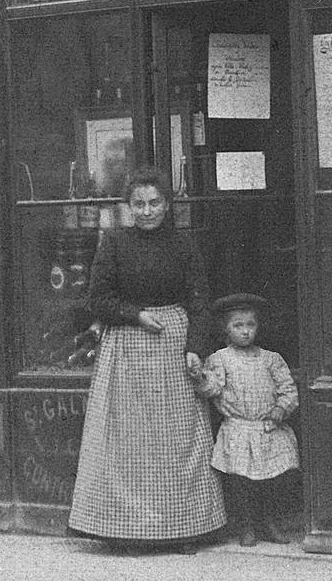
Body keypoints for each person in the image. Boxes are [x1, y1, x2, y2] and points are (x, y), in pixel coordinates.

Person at [66, 169, 227, 549]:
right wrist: (135, 315)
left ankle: (182, 528)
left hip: (173, 347)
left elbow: (199, 302)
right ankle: (125, 530)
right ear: (128, 207)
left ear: (167, 205)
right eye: (138, 204)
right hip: (126, 347)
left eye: (154, 202)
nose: (147, 211)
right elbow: (97, 300)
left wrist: (195, 348)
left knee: (177, 440)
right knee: (128, 441)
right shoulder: (114, 242)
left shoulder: (183, 244)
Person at [192, 293, 300, 546]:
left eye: (250, 325)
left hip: (268, 428)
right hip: (238, 429)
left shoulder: (271, 359)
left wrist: (280, 409)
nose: (245, 331)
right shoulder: (220, 359)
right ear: (226, 329)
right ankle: (246, 525)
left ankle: (270, 523)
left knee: (272, 481)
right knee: (241, 483)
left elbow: (288, 389)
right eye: (237, 326)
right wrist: (200, 377)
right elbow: (212, 388)